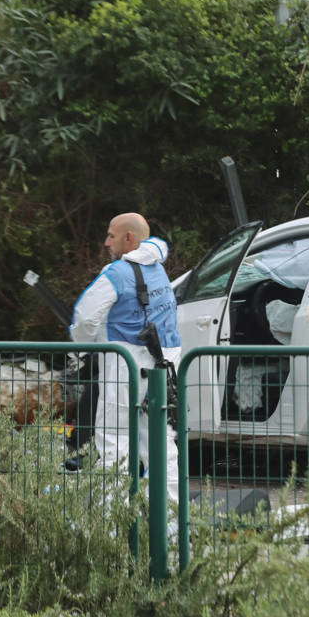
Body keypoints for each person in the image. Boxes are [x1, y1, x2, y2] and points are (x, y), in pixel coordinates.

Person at [70, 213, 180, 501]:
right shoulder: (157, 266)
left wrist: (83, 349)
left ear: (129, 238)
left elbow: (85, 319)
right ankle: (167, 525)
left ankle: (113, 528)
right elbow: (158, 244)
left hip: (124, 369)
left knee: (114, 441)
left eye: (111, 235)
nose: (106, 242)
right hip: (162, 369)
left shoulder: (116, 274)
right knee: (160, 444)